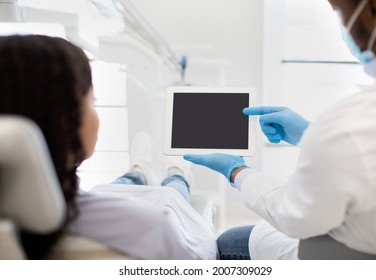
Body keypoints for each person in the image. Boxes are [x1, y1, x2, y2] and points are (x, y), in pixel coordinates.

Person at [184, 0, 376, 259]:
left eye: (339, 12)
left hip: (346, 254)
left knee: (227, 242)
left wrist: (235, 170)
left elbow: (294, 217)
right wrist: (309, 134)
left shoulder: (351, 123)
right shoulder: (361, 123)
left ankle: (171, 174)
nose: (344, 26)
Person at [0, 34, 217, 260]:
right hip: (147, 218)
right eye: (92, 100)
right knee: (170, 194)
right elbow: (204, 255)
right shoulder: (151, 228)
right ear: (64, 120)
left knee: (114, 187)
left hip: (93, 201)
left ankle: (139, 171)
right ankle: (176, 172)